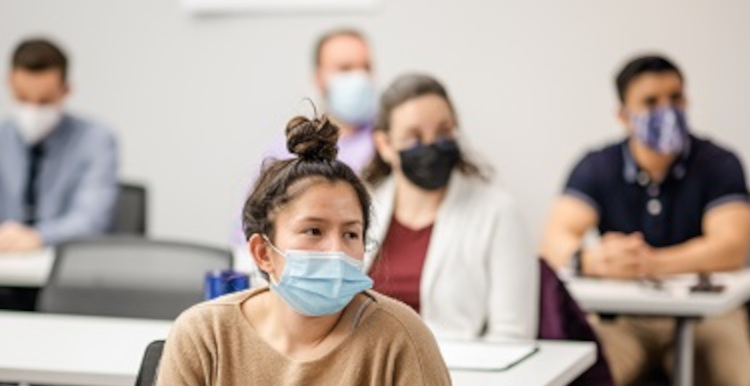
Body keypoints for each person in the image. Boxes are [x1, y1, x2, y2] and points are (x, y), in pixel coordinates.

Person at [158, 114, 451, 385]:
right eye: (313, 231)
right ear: (262, 252)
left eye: (351, 234)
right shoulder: (205, 336)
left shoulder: (401, 337)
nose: (337, 250)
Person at [541, 55, 750, 385]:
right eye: (651, 102)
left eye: (676, 98)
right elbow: (555, 239)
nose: (667, 110)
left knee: (736, 373)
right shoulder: (597, 166)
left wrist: (651, 264)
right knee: (583, 374)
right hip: (624, 320)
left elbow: (730, 247)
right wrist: (591, 259)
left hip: (707, 316)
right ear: (624, 115)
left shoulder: (719, 164)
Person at [362, 73, 538, 340]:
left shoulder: (498, 212)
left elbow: (512, 335)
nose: (432, 146)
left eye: (443, 132)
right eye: (415, 137)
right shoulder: (360, 210)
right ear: (385, 145)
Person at [0, 38, 118, 310]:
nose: (32, 110)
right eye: (23, 99)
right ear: (10, 84)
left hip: (71, 283)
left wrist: (39, 236)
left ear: (66, 90)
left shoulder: (96, 139)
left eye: (44, 101)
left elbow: (92, 219)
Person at [231, 28, 377, 246]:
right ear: (319, 77)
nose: (359, 77)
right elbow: (247, 231)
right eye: (345, 68)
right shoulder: (286, 149)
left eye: (365, 67)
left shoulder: (386, 145)